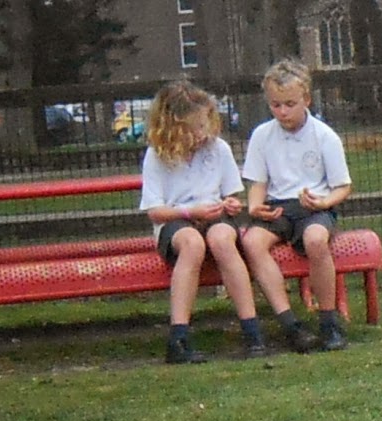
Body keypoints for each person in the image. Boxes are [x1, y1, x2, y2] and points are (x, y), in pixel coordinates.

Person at [138, 80, 263, 363]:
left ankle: (252, 328)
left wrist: (230, 204)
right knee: (192, 244)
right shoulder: (157, 156)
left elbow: (232, 196)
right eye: (195, 128)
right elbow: (155, 211)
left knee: (222, 240)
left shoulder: (218, 149)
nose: (202, 133)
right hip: (177, 219)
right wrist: (189, 213)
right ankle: (179, 337)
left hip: (213, 215)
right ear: (173, 127)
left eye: (205, 125)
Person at [241, 60, 355, 353]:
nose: (282, 112)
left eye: (289, 104)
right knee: (252, 241)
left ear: (306, 99)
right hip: (278, 206)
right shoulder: (262, 136)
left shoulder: (324, 136)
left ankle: (328, 322)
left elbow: (342, 186)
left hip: (314, 206)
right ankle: (290, 324)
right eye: (275, 105)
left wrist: (324, 201)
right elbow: (258, 183)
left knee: (316, 240)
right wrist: (255, 207)